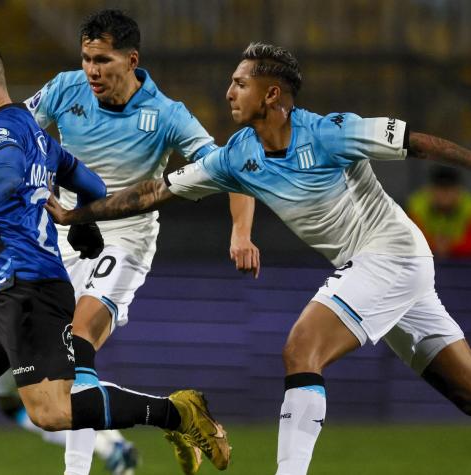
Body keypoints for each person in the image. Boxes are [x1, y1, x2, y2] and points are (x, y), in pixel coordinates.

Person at [46, 42, 471, 475]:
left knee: (302, 349)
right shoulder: (238, 154)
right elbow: (156, 192)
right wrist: (78, 213)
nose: (229, 91)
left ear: (271, 95)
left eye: (240, 83)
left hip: (390, 256)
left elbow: (417, 143)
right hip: (385, 269)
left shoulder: (331, 132)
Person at [0, 37, 231, 475]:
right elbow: (84, 176)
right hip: (3, 296)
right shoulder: (30, 129)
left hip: (30, 292)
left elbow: (4, 178)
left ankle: (177, 413)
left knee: (51, 412)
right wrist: (83, 220)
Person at [24, 9, 258, 475]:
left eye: (103, 60)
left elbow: (230, 169)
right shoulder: (65, 88)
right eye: (87, 58)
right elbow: (14, 133)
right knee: (62, 365)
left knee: (79, 336)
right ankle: (178, 413)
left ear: (131, 60)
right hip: (67, 232)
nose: (92, 70)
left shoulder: (167, 115)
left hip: (127, 236)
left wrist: (241, 232)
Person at [0, 91, 134, 464]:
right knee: (39, 399)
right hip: (28, 296)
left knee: (42, 400)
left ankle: (133, 430)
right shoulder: (23, 156)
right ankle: (119, 438)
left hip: (4, 305)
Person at [407, 165, 471, 258]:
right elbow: (411, 241)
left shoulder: (468, 207)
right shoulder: (417, 205)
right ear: (430, 190)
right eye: (440, 188)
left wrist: (451, 247)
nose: (445, 194)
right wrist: (435, 245)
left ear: (459, 191)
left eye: (450, 188)